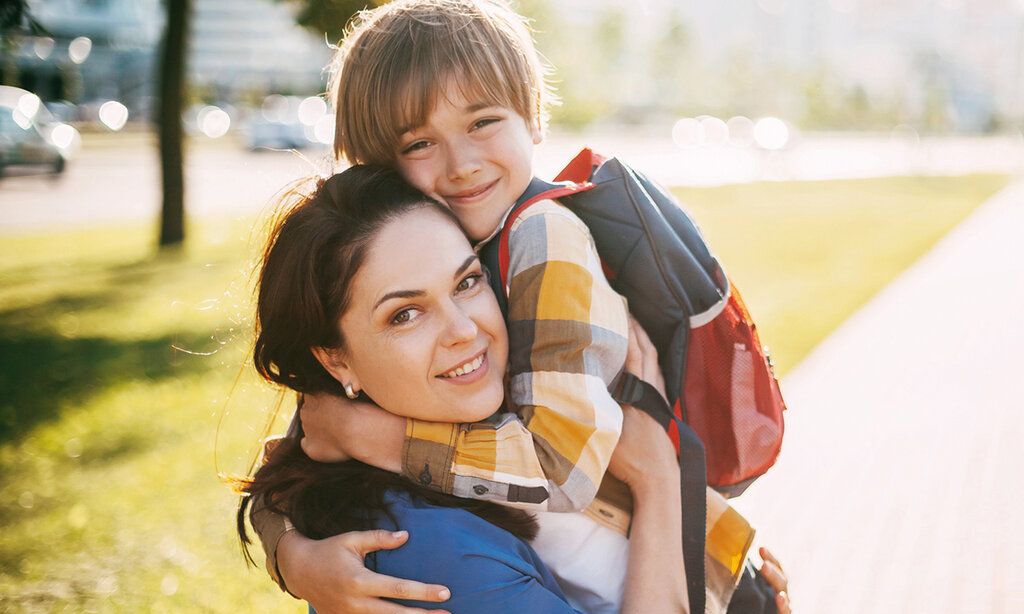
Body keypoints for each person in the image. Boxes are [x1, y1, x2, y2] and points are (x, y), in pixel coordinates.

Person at [249, 1, 791, 612]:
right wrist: (292, 556)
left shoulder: (544, 238)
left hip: (685, 569)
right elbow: (303, 454)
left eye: (482, 122)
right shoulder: (425, 249)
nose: (463, 163)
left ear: (532, 116)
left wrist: (372, 434)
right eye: (421, 142)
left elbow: (559, 467)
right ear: (378, 165)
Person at [239, 164, 690, 612]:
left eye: (467, 281)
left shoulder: (521, 402)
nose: (463, 330)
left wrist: (285, 550)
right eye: (405, 314)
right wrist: (657, 477)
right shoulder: (431, 554)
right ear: (335, 359)